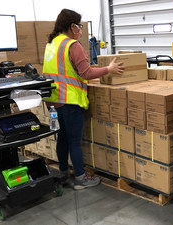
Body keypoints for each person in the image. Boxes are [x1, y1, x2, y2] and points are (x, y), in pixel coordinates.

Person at [42, 9, 124, 190]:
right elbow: (86, 73)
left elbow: (68, 69)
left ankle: (63, 172)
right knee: (74, 141)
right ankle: (80, 178)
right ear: (72, 26)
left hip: (53, 102)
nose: (80, 29)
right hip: (70, 101)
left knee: (62, 138)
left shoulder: (52, 44)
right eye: (79, 26)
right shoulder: (72, 45)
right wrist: (108, 70)